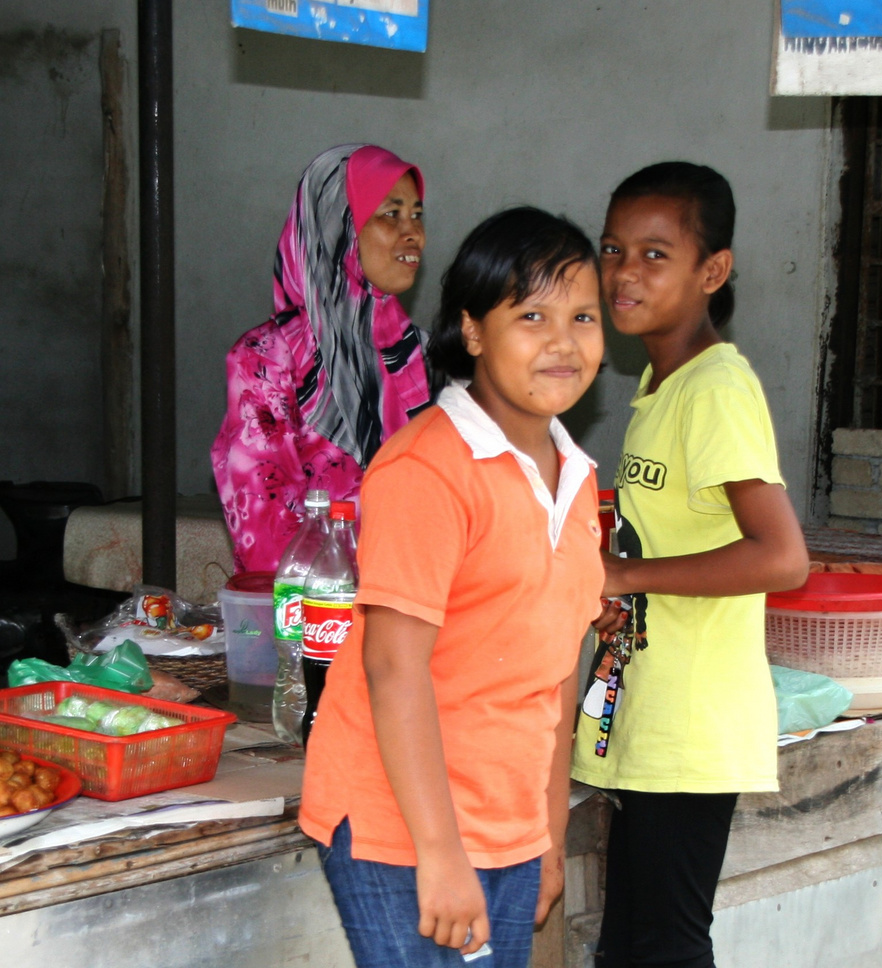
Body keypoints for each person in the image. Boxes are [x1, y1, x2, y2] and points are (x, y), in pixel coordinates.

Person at [298, 208, 608, 968]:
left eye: (582, 317)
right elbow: (392, 668)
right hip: (402, 826)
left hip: (505, 824)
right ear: (472, 331)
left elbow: (557, 666)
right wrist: (438, 854)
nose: (561, 342)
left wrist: (546, 835)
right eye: (530, 315)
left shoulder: (575, 477)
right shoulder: (426, 469)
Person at [571, 162, 810, 968]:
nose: (622, 274)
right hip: (652, 704)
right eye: (611, 250)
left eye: (652, 254)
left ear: (712, 271)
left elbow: (780, 556)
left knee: (666, 945)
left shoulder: (713, 387)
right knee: (626, 945)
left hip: (694, 718)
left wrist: (625, 576)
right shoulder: (659, 383)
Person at [212, 144, 432, 575]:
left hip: (413, 618)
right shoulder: (268, 360)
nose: (414, 234)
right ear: (336, 225)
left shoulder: (420, 358)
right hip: (312, 623)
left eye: (418, 215)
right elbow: (264, 528)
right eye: (391, 214)